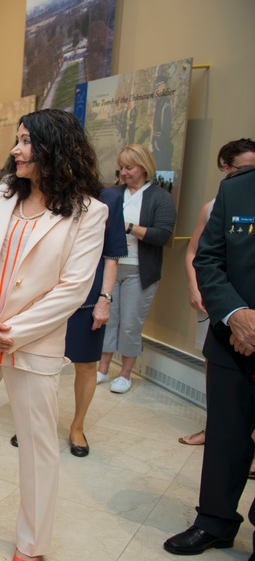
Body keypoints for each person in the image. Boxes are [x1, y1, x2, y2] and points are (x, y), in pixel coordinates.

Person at [0, 109, 108, 561]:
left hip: (32, 344)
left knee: (36, 442)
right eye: (17, 141)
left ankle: (32, 539)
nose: (16, 150)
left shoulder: (90, 213)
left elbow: (73, 289)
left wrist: (9, 333)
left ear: (55, 148)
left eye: (27, 141)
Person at [163, 165, 255, 561]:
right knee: (225, 435)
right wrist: (237, 316)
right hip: (230, 339)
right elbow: (208, 259)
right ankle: (215, 521)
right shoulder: (236, 190)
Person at [178, 139, 255, 454]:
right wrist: (199, 290)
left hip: (243, 316)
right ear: (227, 168)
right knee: (217, 365)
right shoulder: (216, 204)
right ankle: (215, 427)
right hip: (219, 303)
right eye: (245, 167)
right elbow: (197, 252)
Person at [97, 144, 177, 393]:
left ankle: (125, 373)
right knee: (107, 321)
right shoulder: (112, 193)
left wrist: (128, 226)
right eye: (120, 167)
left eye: (129, 167)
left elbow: (162, 235)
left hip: (139, 271)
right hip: (111, 267)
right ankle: (102, 368)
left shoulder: (160, 197)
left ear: (144, 168)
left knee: (131, 323)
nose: (123, 172)